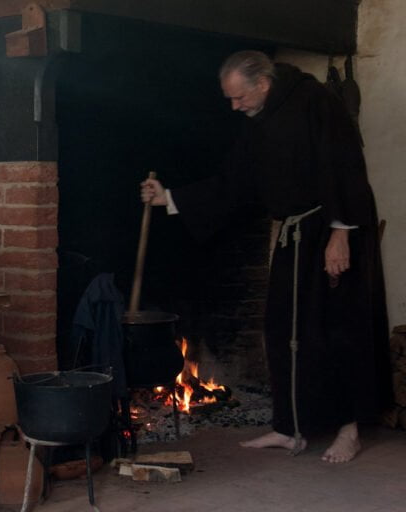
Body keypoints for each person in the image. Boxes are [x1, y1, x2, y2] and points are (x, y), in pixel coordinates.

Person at [141, 50, 392, 463]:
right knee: (283, 332)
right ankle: (290, 428)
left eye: (239, 97)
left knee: (336, 329)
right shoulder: (260, 122)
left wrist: (340, 234)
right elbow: (234, 181)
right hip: (295, 235)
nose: (235, 106)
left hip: (330, 228)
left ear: (263, 83)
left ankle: (349, 431)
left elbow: (345, 166)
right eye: (230, 99)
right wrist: (170, 198)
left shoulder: (316, 101)